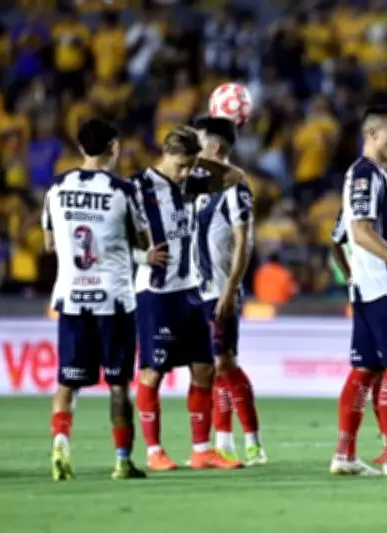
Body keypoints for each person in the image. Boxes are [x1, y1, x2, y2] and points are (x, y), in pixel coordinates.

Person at [43, 118, 162, 481]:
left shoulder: (56, 189)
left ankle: (61, 446)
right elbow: (144, 244)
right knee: (117, 384)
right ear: (114, 147)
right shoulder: (122, 191)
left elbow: (49, 245)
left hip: (72, 297)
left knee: (68, 382)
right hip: (113, 299)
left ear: (81, 148)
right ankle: (122, 460)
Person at [132, 126, 236, 471]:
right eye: (181, 165)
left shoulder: (190, 183)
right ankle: (154, 451)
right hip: (156, 292)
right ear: (165, 154)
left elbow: (235, 176)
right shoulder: (138, 187)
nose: (187, 172)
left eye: (192, 165)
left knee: (204, 367)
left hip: (190, 288)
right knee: (153, 371)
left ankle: (202, 450)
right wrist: (140, 257)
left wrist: (203, 159)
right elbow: (111, 235)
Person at [330, 105, 387, 478]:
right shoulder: (366, 174)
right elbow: (361, 232)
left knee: (365, 369)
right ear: (372, 135)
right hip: (384, 288)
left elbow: (341, 235)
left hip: (370, 286)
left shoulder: (376, 177)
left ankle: (345, 455)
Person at [190, 116, 266, 467]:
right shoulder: (196, 186)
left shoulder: (235, 186)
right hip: (194, 290)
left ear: (214, 147)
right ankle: (221, 442)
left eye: (199, 142)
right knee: (207, 366)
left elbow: (243, 241)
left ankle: (252, 440)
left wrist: (231, 289)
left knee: (224, 362)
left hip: (220, 288)